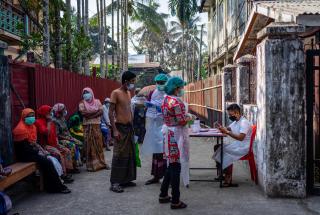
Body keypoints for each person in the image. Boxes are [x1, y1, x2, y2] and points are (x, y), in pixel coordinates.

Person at [13, 108, 71, 194]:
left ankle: (52, 186)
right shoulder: (20, 129)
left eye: (33, 115)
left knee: (49, 160)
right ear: (24, 117)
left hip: (32, 152)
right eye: (29, 116)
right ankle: (57, 187)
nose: (32, 118)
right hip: (24, 155)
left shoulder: (32, 127)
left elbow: (34, 143)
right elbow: (24, 149)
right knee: (47, 162)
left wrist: (41, 151)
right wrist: (39, 152)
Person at [159, 77, 192, 210]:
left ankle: (163, 194)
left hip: (168, 133)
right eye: (181, 87)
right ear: (176, 88)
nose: (182, 90)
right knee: (175, 167)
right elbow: (182, 121)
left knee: (171, 165)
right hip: (176, 136)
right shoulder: (176, 102)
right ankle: (175, 200)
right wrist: (190, 117)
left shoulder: (165, 100)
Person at [109, 70, 137, 193]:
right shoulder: (115, 93)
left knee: (129, 154)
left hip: (129, 127)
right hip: (119, 127)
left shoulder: (128, 93)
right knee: (119, 154)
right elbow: (110, 112)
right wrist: (114, 130)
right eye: (132, 81)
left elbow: (128, 110)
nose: (133, 84)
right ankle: (115, 183)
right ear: (126, 81)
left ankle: (126, 179)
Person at [214, 103, 252, 187]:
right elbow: (228, 128)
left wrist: (227, 132)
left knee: (225, 151)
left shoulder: (244, 122)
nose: (229, 116)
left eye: (230, 114)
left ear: (237, 112)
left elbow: (241, 138)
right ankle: (222, 173)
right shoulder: (236, 122)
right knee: (217, 147)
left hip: (244, 147)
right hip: (237, 145)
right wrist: (221, 128)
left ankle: (228, 178)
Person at [35, 105, 74, 183]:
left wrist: (57, 143)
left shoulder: (50, 121)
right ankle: (62, 175)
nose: (50, 113)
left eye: (50, 112)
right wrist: (49, 122)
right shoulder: (39, 122)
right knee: (58, 154)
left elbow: (54, 134)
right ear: (44, 113)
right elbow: (46, 133)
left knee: (66, 151)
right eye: (48, 112)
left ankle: (68, 171)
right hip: (44, 145)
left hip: (53, 143)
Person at [142, 74, 168, 185]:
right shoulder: (153, 93)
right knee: (156, 151)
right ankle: (156, 176)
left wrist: (161, 108)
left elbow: (171, 109)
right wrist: (147, 105)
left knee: (166, 152)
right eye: (158, 83)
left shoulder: (169, 93)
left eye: (162, 83)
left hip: (166, 126)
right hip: (154, 123)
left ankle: (168, 178)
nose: (160, 85)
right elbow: (148, 105)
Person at [79, 87, 108, 172]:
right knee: (89, 145)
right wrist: (95, 113)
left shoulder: (97, 101)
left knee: (98, 144)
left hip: (96, 126)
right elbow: (84, 114)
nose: (85, 94)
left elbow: (101, 112)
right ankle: (92, 166)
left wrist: (90, 115)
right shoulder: (81, 103)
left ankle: (102, 163)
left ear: (91, 93)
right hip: (87, 127)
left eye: (87, 92)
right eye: (84, 93)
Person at [52, 103, 83, 172]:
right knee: (72, 146)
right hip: (60, 139)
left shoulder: (62, 118)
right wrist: (68, 138)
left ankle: (77, 162)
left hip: (67, 137)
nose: (65, 110)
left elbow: (66, 130)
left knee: (79, 143)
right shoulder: (55, 121)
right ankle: (71, 168)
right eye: (64, 109)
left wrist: (70, 137)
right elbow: (57, 135)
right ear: (59, 111)